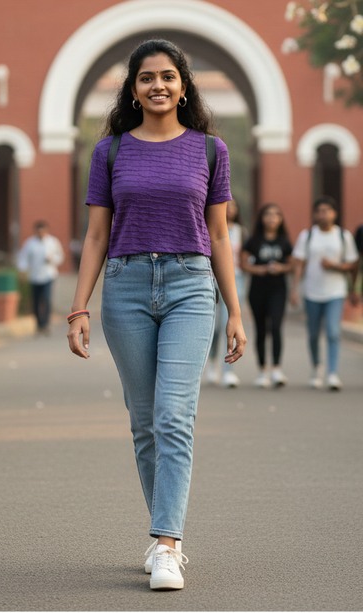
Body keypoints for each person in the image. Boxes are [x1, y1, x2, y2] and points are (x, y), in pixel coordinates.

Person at [67, 40, 246, 591]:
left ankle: (167, 544)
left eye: (168, 76)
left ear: (184, 86)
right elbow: (97, 234)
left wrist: (234, 312)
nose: (158, 86)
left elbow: (218, 235)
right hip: (125, 289)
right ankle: (162, 536)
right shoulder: (111, 153)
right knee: (145, 424)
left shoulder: (211, 151)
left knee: (174, 416)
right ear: (133, 88)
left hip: (191, 287)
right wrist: (79, 307)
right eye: (147, 78)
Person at [291, 196, 358, 390]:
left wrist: (336, 267)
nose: (323, 214)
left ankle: (332, 374)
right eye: (319, 211)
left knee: (333, 331)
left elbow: (353, 265)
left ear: (335, 214)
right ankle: (316, 368)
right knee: (313, 334)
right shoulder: (308, 235)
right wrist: (294, 289)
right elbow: (299, 264)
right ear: (314, 214)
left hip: (335, 292)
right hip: (311, 292)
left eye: (327, 211)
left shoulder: (343, 236)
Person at [241, 203, 293, 388]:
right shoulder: (254, 240)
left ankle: (277, 369)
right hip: (257, 290)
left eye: (275, 215)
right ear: (261, 218)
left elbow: (291, 264)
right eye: (268, 214)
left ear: (280, 219)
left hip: (278, 289)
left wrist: (281, 268)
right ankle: (262, 370)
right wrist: (260, 269)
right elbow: (243, 263)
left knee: (277, 327)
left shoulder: (284, 241)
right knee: (261, 329)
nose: (271, 218)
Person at [206, 199, 247, 387]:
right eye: (227, 207)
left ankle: (228, 371)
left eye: (233, 208)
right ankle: (212, 362)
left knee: (228, 325)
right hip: (210, 279)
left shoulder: (241, 232)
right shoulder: (207, 225)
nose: (230, 211)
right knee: (214, 328)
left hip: (235, 280)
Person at [17, 220, 64, 334]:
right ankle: (39, 324)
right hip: (34, 276)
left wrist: (51, 259)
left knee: (46, 300)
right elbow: (23, 258)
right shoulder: (30, 243)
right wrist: (22, 271)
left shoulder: (52, 242)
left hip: (48, 275)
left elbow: (60, 257)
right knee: (36, 301)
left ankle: (46, 323)